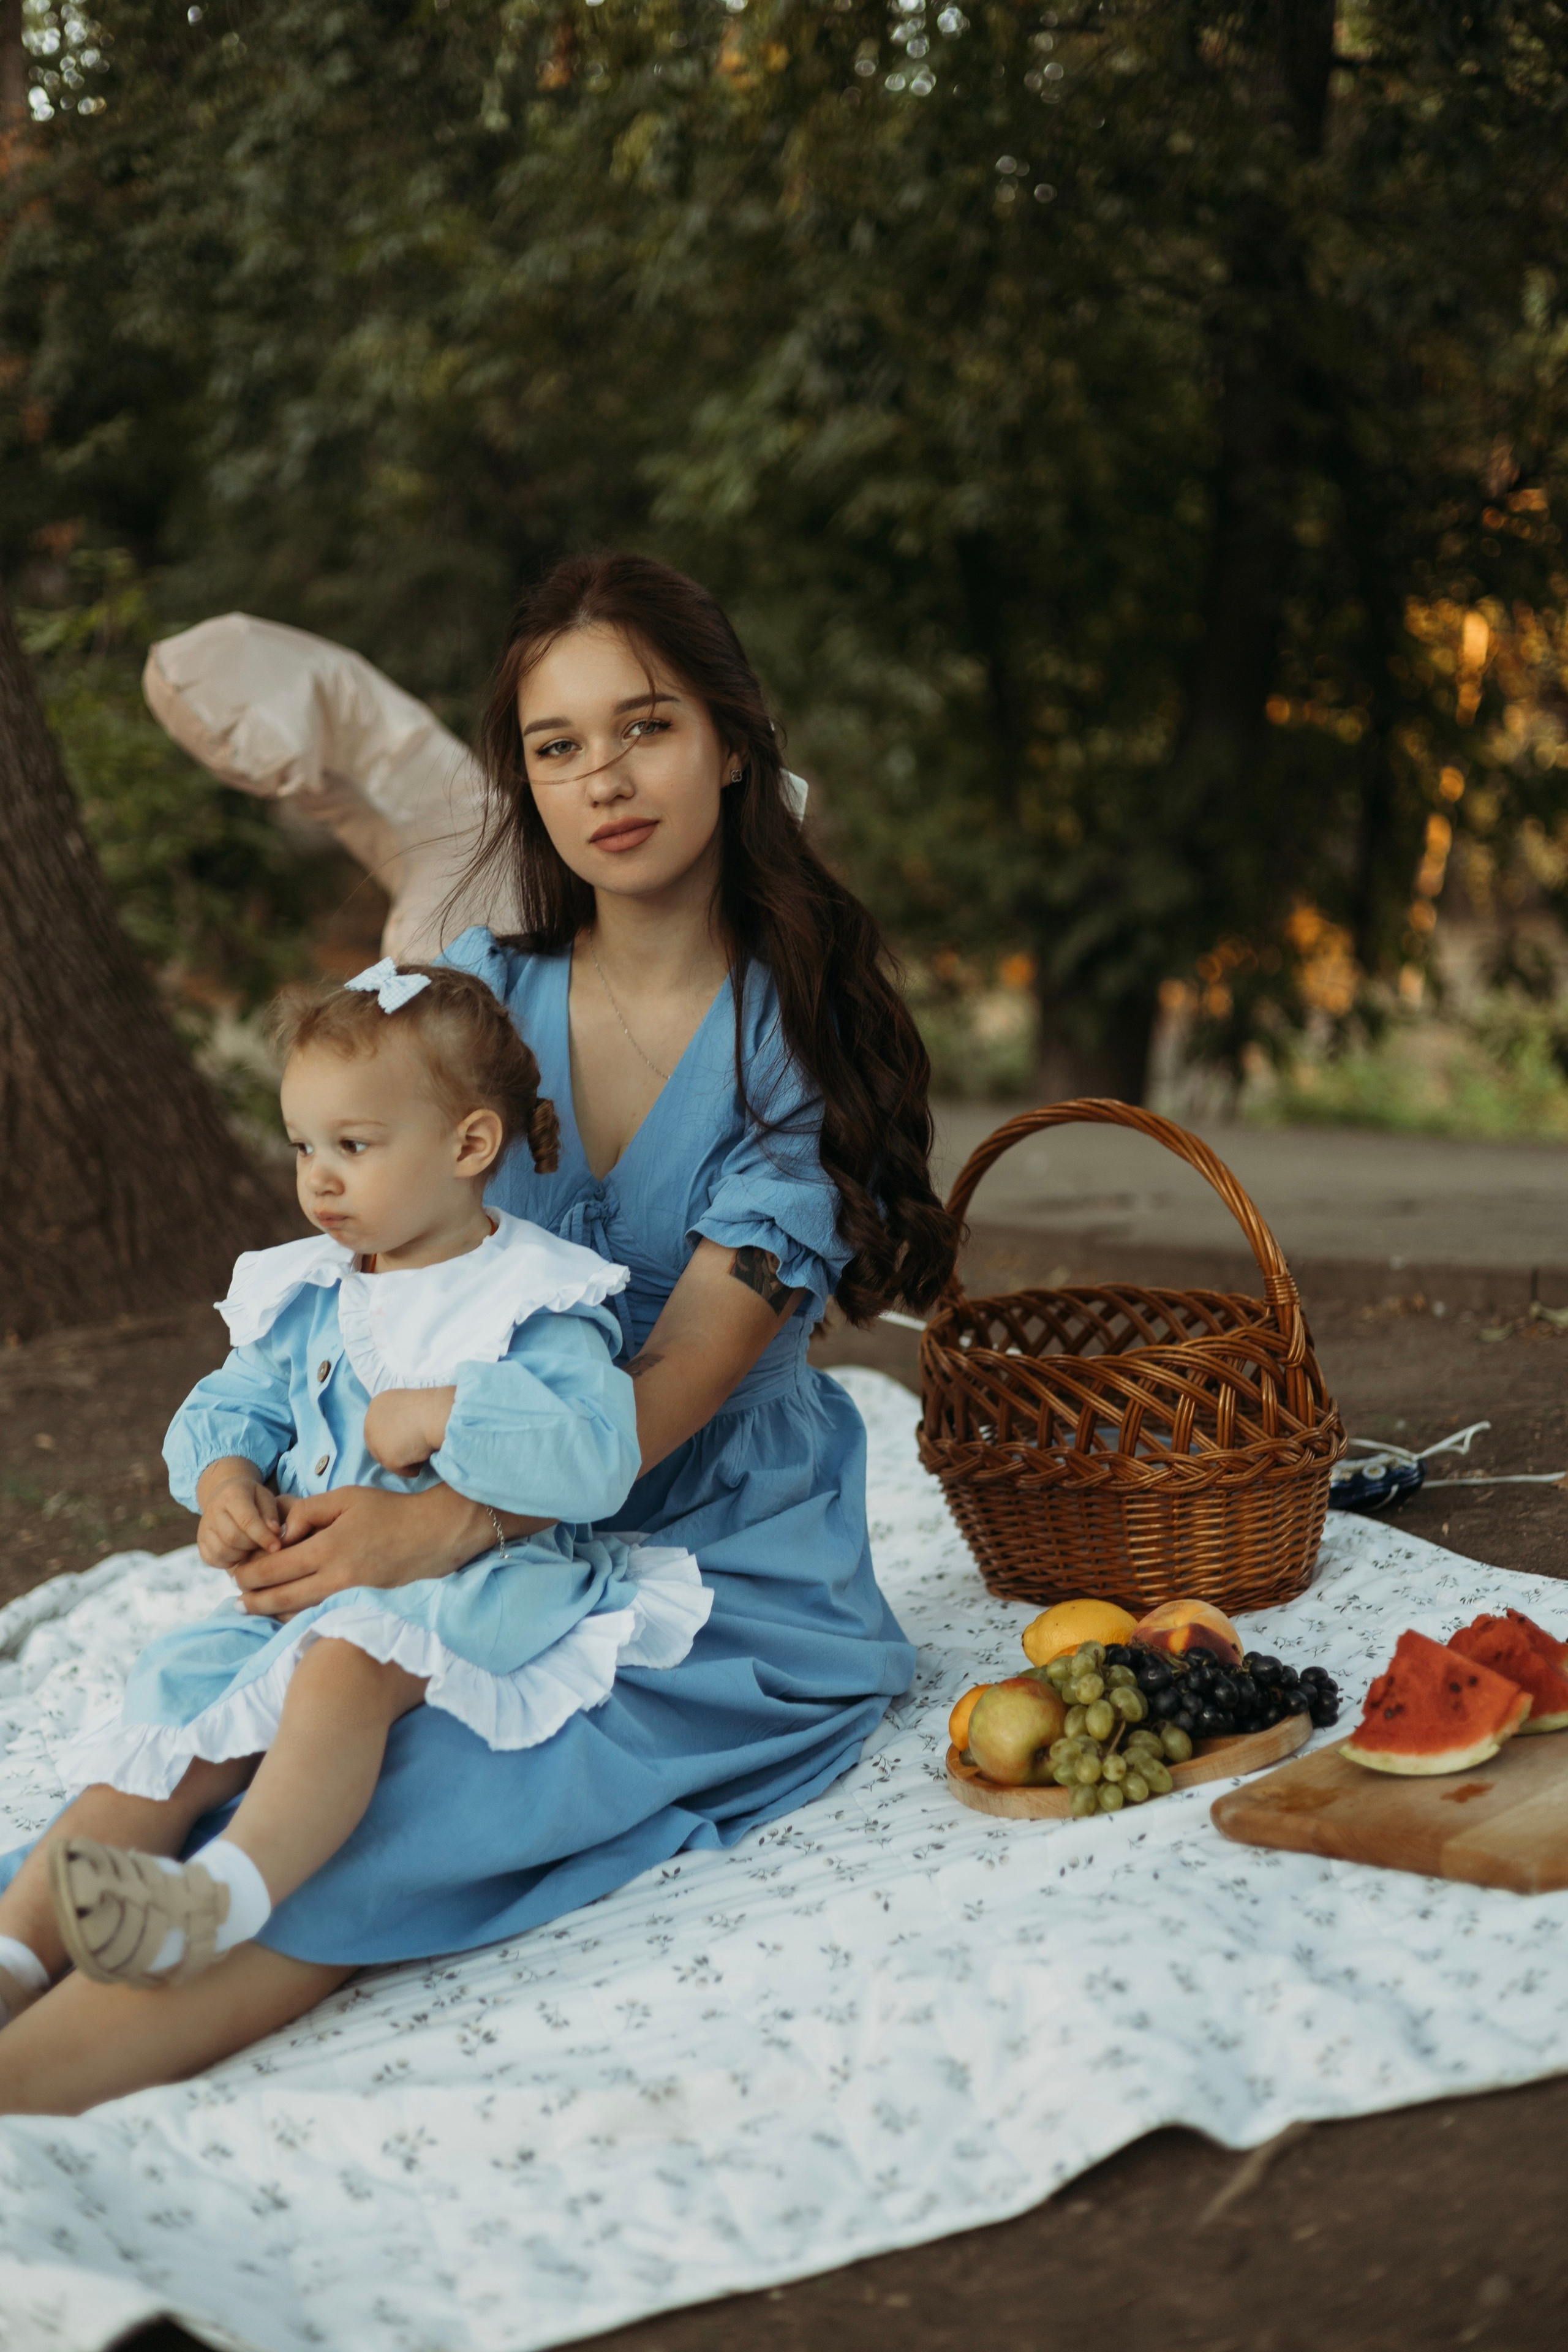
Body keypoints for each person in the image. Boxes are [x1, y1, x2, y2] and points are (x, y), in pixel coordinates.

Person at [0, 551, 957, 2115]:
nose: (603, 780)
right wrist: (285, 1482)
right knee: (198, 1734)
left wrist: (418, 1531)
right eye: (555, 744)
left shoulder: (797, 1044)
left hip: (700, 1549)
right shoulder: (475, 1002)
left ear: (729, 741)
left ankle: (23, 2106)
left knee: (388, 1796)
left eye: (642, 727)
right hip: (461, 1521)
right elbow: (376, 1269)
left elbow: (656, 1403)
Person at [0, 959, 706, 2010]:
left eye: (354, 1147)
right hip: (306, 1585)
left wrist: (444, 1413)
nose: (317, 1178)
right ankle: (18, 1953)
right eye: (303, 1147)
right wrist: (229, 1479)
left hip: (467, 1585)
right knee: (177, 1704)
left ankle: (224, 1900)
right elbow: (233, 1402)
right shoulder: (308, 1290)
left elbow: (596, 1458)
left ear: (469, 1145)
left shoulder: (529, 1296)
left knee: (343, 1667)